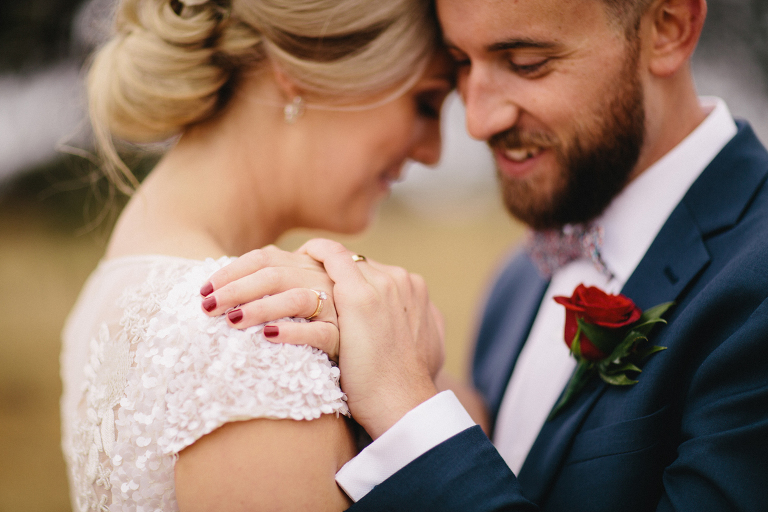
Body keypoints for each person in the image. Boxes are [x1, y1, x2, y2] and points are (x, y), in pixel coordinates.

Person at [205, 0, 768, 509]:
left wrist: (410, 414)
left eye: (526, 63)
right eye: (462, 65)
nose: (478, 121)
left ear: (669, 29)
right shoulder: (518, 279)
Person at [58, 0, 455, 510]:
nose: (434, 151)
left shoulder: (116, 285)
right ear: (302, 68)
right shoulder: (254, 338)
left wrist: (411, 367)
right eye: (425, 102)